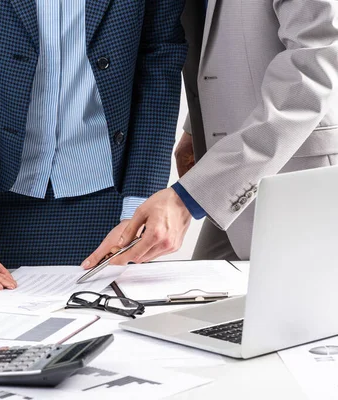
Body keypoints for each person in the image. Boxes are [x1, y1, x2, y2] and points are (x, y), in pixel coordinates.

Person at [0, 0, 187, 289]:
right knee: (0, 326)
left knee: (115, 326)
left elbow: (161, 63)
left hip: (115, 191)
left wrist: (139, 204)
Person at [84, 0, 338, 265]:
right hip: (235, 184)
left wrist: (189, 197)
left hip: (297, 184)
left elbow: (311, 74)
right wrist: (196, 130)